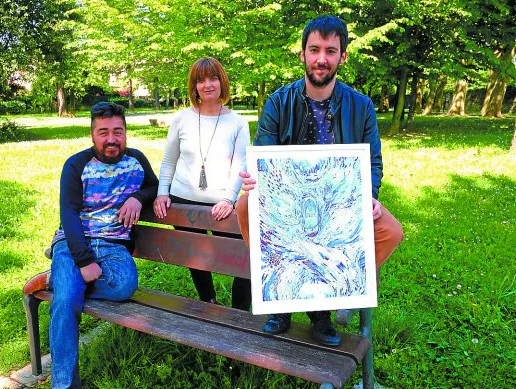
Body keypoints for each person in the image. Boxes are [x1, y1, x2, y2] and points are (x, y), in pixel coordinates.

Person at [235, 15, 403, 346]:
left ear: (342, 56)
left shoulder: (362, 106)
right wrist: (255, 180)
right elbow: (265, 156)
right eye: (314, 50)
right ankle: (284, 297)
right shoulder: (279, 102)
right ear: (303, 55)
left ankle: (327, 300)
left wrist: (367, 195)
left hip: (340, 203)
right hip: (288, 203)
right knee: (245, 204)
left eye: (330, 50)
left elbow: (372, 162)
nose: (321, 59)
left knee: (391, 231)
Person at [47, 102, 157, 388]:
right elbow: (68, 216)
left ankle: (60, 280)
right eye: (103, 132)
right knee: (66, 301)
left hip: (112, 243)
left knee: (124, 286)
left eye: (118, 131)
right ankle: (65, 385)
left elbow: (154, 186)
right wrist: (83, 262)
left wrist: (138, 198)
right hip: (74, 243)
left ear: (125, 133)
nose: (111, 139)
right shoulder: (76, 165)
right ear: (92, 135)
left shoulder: (136, 160)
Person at [153, 57, 251, 310]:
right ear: (194, 86)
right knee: (195, 256)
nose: (207, 85)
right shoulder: (181, 119)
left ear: (222, 82)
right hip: (183, 199)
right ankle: (208, 302)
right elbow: (168, 160)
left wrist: (228, 199)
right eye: (200, 80)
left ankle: (240, 312)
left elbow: (241, 164)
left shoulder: (238, 122)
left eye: (213, 78)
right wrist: (163, 193)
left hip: (222, 204)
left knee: (244, 257)